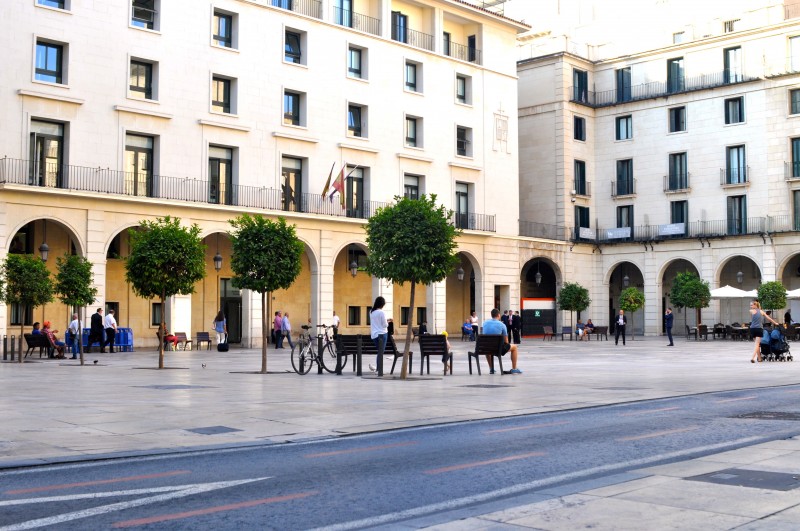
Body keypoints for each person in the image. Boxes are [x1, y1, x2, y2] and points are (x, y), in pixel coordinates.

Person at [481, 308, 521, 374]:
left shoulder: (485, 323)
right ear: (499, 315)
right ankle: (514, 368)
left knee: (488, 348)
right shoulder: (502, 325)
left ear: (491, 315)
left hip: (487, 348)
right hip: (498, 349)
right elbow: (506, 341)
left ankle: (491, 368)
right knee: (515, 347)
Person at [369, 296, 389, 374]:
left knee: (379, 351)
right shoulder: (382, 312)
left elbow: (376, 322)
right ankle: (379, 369)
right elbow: (384, 325)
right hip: (382, 335)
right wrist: (388, 323)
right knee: (380, 352)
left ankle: (378, 368)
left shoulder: (371, 312)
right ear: (382, 304)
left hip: (374, 335)